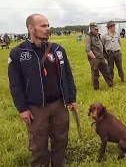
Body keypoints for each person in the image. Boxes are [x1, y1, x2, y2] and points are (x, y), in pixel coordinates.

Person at [8, 14, 78, 167]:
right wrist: (22, 109)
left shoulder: (58, 49)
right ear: (31, 28)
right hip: (35, 108)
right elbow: (15, 84)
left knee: (61, 140)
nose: (48, 29)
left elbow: (68, 75)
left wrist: (71, 98)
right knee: (38, 146)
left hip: (59, 104)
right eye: (43, 26)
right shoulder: (18, 53)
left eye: (48, 25)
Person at [85, 22, 114, 90]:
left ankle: (111, 85)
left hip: (101, 57)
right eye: (96, 29)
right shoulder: (88, 36)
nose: (97, 30)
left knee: (106, 71)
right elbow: (87, 49)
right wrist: (94, 57)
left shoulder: (98, 35)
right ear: (91, 29)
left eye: (98, 29)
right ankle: (96, 88)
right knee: (95, 73)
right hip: (94, 58)